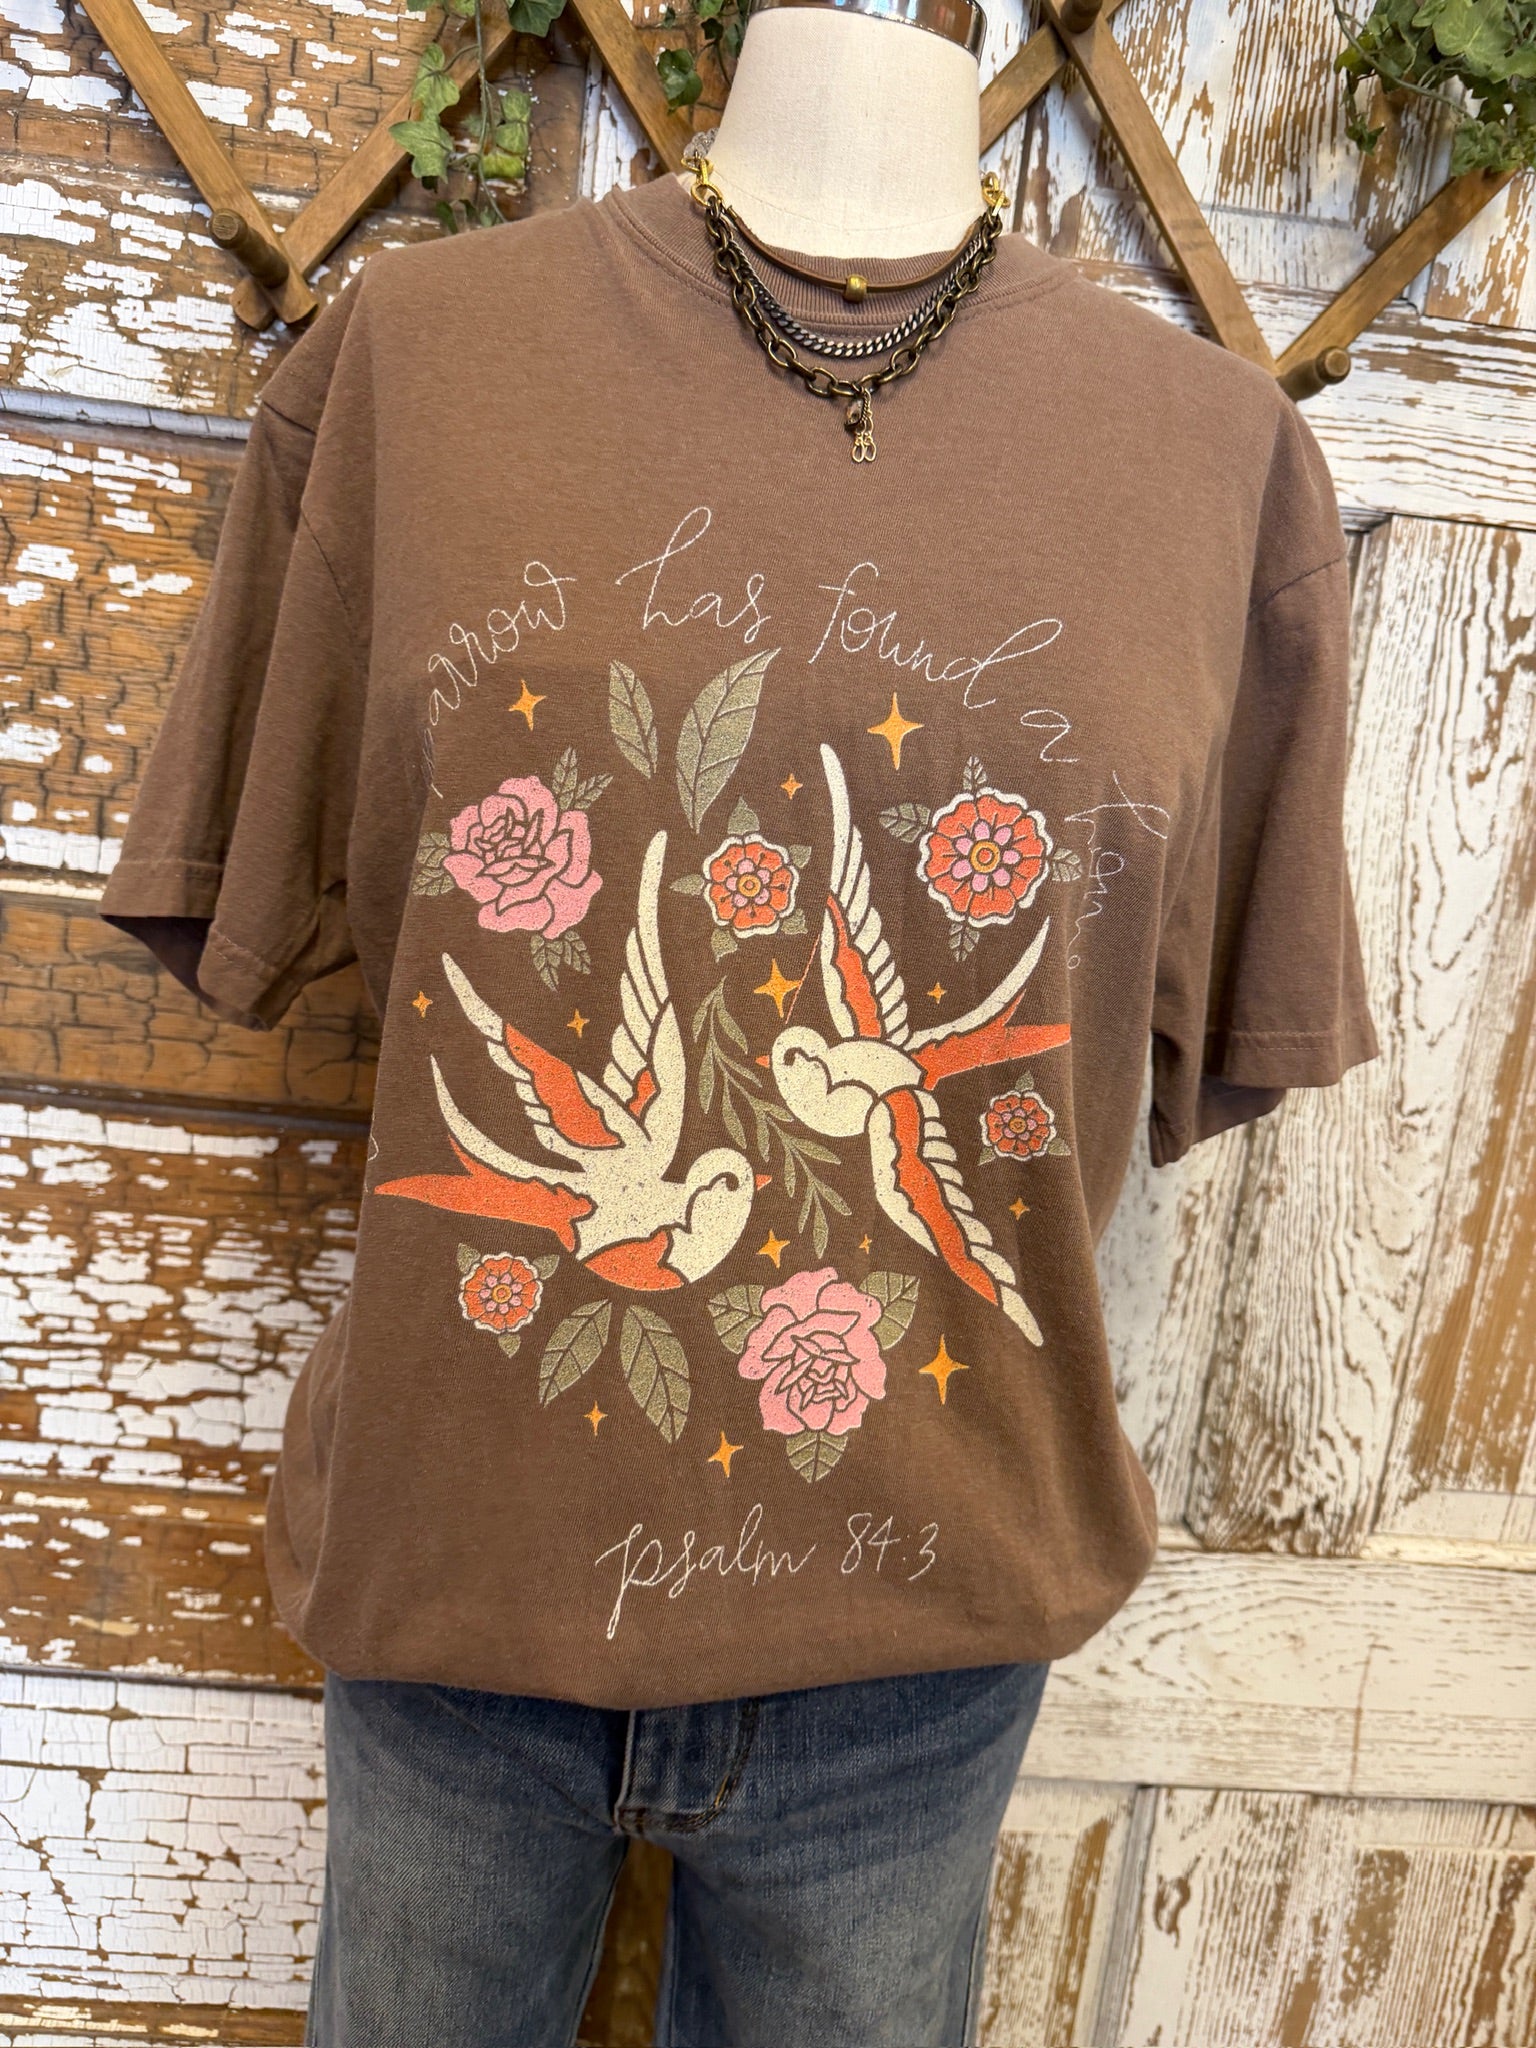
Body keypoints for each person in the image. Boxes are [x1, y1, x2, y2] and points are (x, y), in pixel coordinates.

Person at [96, 0, 1380, 2039]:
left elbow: (1211, 1026)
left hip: (919, 1649)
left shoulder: (1221, 467)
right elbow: (263, 919)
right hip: (458, 1601)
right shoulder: (414, 371)